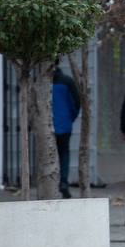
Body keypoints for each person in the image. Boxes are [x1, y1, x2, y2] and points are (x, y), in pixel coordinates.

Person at [52, 67, 82, 198]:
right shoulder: (67, 81)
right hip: (64, 125)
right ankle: (63, 182)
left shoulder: (40, 81)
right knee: (64, 154)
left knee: (48, 155)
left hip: (47, 125)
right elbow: (76, 103)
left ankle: (50, 184)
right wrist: (70, 118)